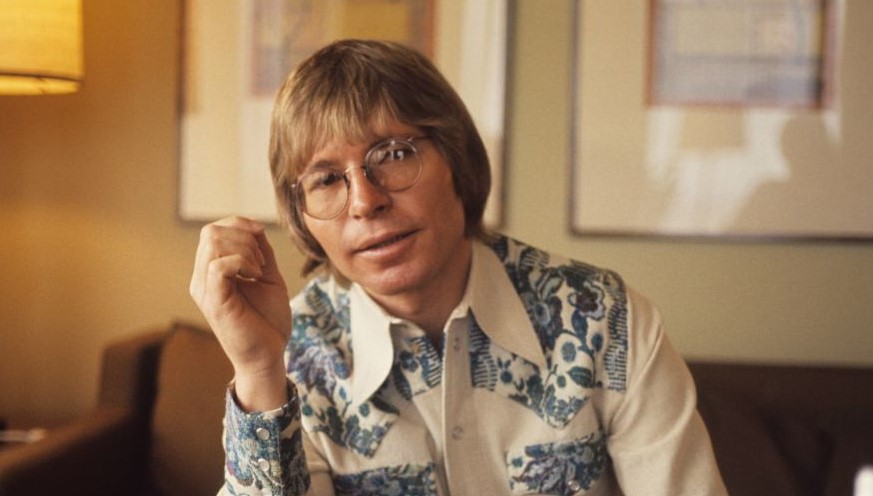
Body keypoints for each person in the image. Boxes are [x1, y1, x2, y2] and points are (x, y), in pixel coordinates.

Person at [190, 39, 728, 496]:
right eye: (328, 179)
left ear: (456, 158)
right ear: (302, 215)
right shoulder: (295, 358)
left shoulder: (607, 322)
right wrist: (259, 372)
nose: (365, 202)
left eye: (393, 154)